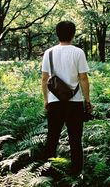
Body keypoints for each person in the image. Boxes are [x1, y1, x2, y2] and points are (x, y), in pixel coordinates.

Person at [41, 21, 92, 175]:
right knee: (75, 140)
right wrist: (87, 100)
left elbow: (44, 79)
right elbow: (83, 78)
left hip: (55, 102)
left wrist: (46, 99)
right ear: (73, 34)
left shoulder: (48, 53)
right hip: (74, 103)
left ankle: (48, 173)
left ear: (57, 34)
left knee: (52, 138)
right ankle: (76, 173)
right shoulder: (78, 53)